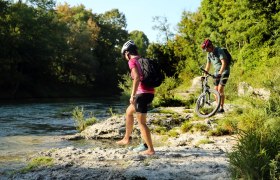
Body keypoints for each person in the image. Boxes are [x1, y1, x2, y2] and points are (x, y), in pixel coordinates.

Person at [116, 40, 155, 155]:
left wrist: (132, 95)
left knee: (141, 122)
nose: (125, 58)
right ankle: (126, 138)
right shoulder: (143, 60)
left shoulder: (132, 61)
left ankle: (150, 150)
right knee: (129, 112)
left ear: (127, 53)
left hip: (141, 95)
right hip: (150, 93)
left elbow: (137, 78)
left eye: (124, 55)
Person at [201, 38, 230, 113]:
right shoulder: (209, 54)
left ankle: (222, 107)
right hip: (216, 72)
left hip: (224, 71)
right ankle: (218, 106)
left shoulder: (219, 50)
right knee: (215, 90)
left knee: (220, 89)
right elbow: (208, 65)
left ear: (210, 46)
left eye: (207, 49)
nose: (206, 51)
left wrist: (220, 73)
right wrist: (204, 75)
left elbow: (224, 63)